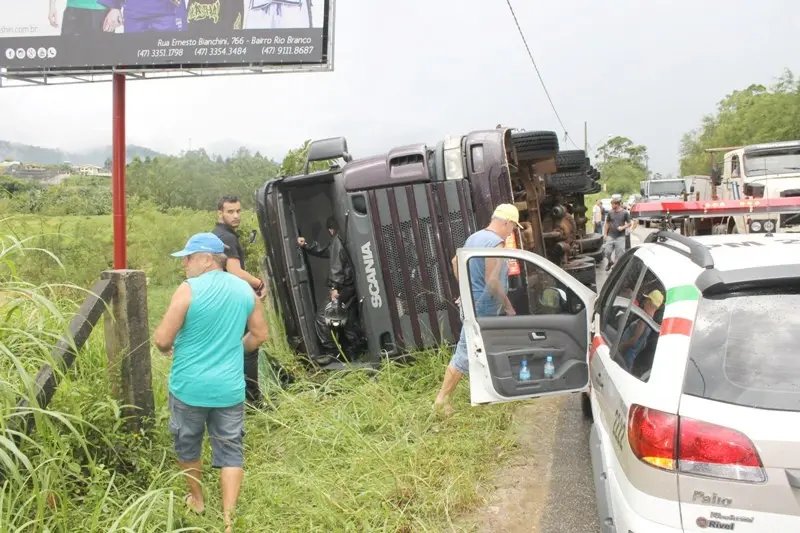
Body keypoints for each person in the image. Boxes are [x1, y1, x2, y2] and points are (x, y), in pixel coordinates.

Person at [154, 232, 268, 533]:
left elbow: (162, 339)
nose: (185, 265)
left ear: (206, 259)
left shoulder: (188, 290)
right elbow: (260, 334)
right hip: (229, 388)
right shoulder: (245, 290)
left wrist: (168, 349)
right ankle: (229, 519)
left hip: (189, 388)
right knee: (231, 449)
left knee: (188, 443)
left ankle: (197, 500)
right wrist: (235, 350)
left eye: (188, 258)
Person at [433, 204, 520, 415]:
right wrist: (508, 306)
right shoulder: (496, 244)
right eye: (513, 227)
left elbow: (455, 261)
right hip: (483, 307)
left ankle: (491, 393)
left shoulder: (475, 238)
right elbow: (492, 280)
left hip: (471, 302)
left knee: (485, 349)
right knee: (465, 352)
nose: (512, 232)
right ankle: (441, 400)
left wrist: (466, 288)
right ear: (506, 222)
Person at [212, 195, 267, 406]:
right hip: (232, 301)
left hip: (220, 300)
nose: (236, 216)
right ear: (220, 213)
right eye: (230, 211)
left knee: (229, 347)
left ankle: (231, 397)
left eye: (238, 211)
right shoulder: (227, 237)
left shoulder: (216, 235)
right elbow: (235, 271)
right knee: (249, 348)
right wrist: (259, 284)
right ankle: (253, 402)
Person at [297, 216, 364, 364]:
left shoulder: (337, 241)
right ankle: (356, 353)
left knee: (322, 318)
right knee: (349, 320)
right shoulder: (344, 239)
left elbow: (336, 265)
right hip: (350, 287)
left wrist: (334, 287)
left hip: (342, 288)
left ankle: (333, 353)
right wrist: (306, 245)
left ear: (330, 230)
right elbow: (325, 251)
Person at [618, 290, 663, 370]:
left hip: (624, 356)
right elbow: (642, 344)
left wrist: (619, 348)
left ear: (649, 302)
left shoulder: (643, 321)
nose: (644, 302)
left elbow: (633, 341)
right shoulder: (651, 323)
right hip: (630, 358)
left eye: (646, 300)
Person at [99, 0, 187, 33]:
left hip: (169, 13)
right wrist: (114, 6)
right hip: (135, 14)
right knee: (134, 58)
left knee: (173, 58)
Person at [603, 198, 631, 272]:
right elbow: (607, 223)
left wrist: (622, 227)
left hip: (621, 236)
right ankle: (610, 262)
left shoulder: (625, 213)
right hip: (611, 235)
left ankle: (615, 267)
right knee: (607, 252)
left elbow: (629, 223)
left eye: (612, 204)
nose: (611, 206)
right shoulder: (610, 212)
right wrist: (605, 234)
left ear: (617, 204)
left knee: (619, 254)